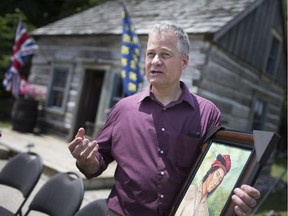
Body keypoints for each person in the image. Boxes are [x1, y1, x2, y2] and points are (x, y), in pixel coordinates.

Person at [68, 23, 260, 216]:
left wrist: (236, 196)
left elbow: (214, 174)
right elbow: (96, 163)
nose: (155, 61)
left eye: (165, 54)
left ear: (184, 62)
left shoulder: (207, 113)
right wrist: (86, 159)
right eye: (150, 54)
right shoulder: (123, 109)